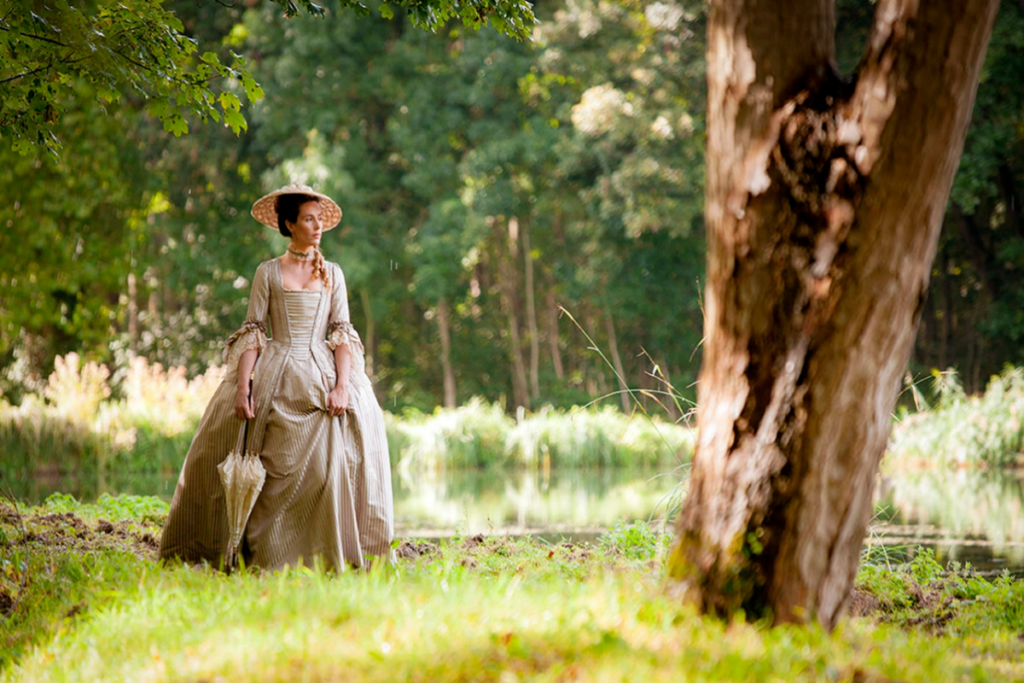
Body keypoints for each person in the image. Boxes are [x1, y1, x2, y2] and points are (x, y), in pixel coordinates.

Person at [159, 182, 394, 572]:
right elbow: (253, 332)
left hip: (322, 378)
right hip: (277, 375)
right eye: (309, 220)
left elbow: (341, 334)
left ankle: (323, 555)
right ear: (289, 224)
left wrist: (341, 386)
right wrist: (242, 386)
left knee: (325, 470)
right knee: (268, 472)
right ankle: (266, 558)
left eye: (320, 220)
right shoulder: (267, 273)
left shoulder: (333, 274)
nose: (317, 227)